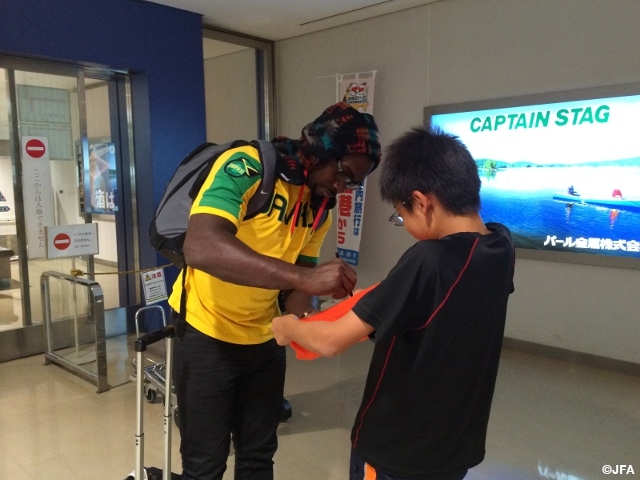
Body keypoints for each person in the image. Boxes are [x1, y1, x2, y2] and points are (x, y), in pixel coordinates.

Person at [272, 126, 515, 480]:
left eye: (401, 215)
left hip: (397, 451)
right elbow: (434, 303)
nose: (404, 224)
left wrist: (289, 327)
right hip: (454, 447)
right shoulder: (500, 245)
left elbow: (329, 341)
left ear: (422, 202)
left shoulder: (429, 258)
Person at [169, 101, 381, 480]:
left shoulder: (319, 206)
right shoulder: (246, 166)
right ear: (321, 149)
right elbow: (201, 245)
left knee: (258, 457)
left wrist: (311, 319)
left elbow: (299, 281)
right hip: (206, 334)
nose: (341, 187)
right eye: (343, 174)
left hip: (265, 341)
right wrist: (305, 280)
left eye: (352, 184)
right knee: (204, 464)